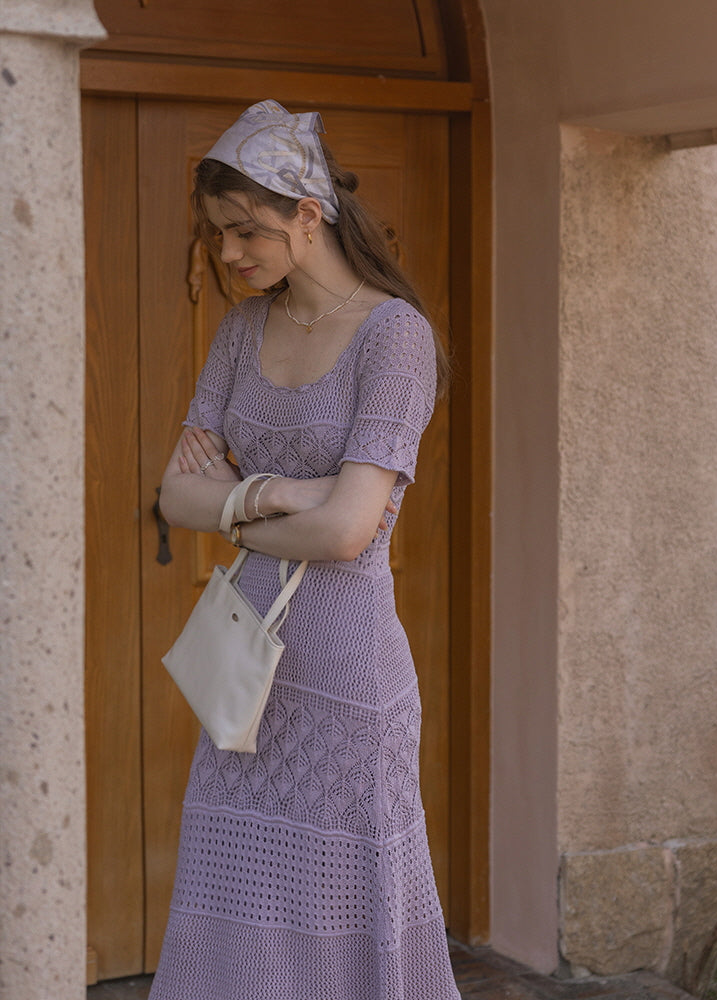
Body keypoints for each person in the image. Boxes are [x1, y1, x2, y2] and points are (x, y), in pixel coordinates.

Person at [151, 99, 458, 1000]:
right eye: (220, 235)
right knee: (234, 887)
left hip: (347, 672)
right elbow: (175, 495)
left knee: (343, 900)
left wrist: (231, 508)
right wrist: (276, 492)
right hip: (246, 664)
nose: (232, 254)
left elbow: (348, 531)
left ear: (308, 215)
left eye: (248, 230)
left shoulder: (394, 336)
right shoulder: (243, 331)